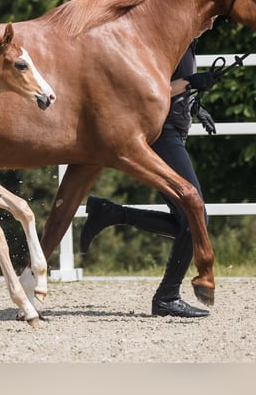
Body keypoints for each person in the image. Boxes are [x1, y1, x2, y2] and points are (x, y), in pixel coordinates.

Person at [80, 39, 218, 318]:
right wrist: (191, 82)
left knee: (189, 220)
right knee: (195, 217)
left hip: (175, 130)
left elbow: (176, 88)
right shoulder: (173, 41)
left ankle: (111, 213)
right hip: (162, 134)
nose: (214, 22)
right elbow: (151, 92)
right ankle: (167, 296)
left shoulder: (188, 42)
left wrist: (194, 107)